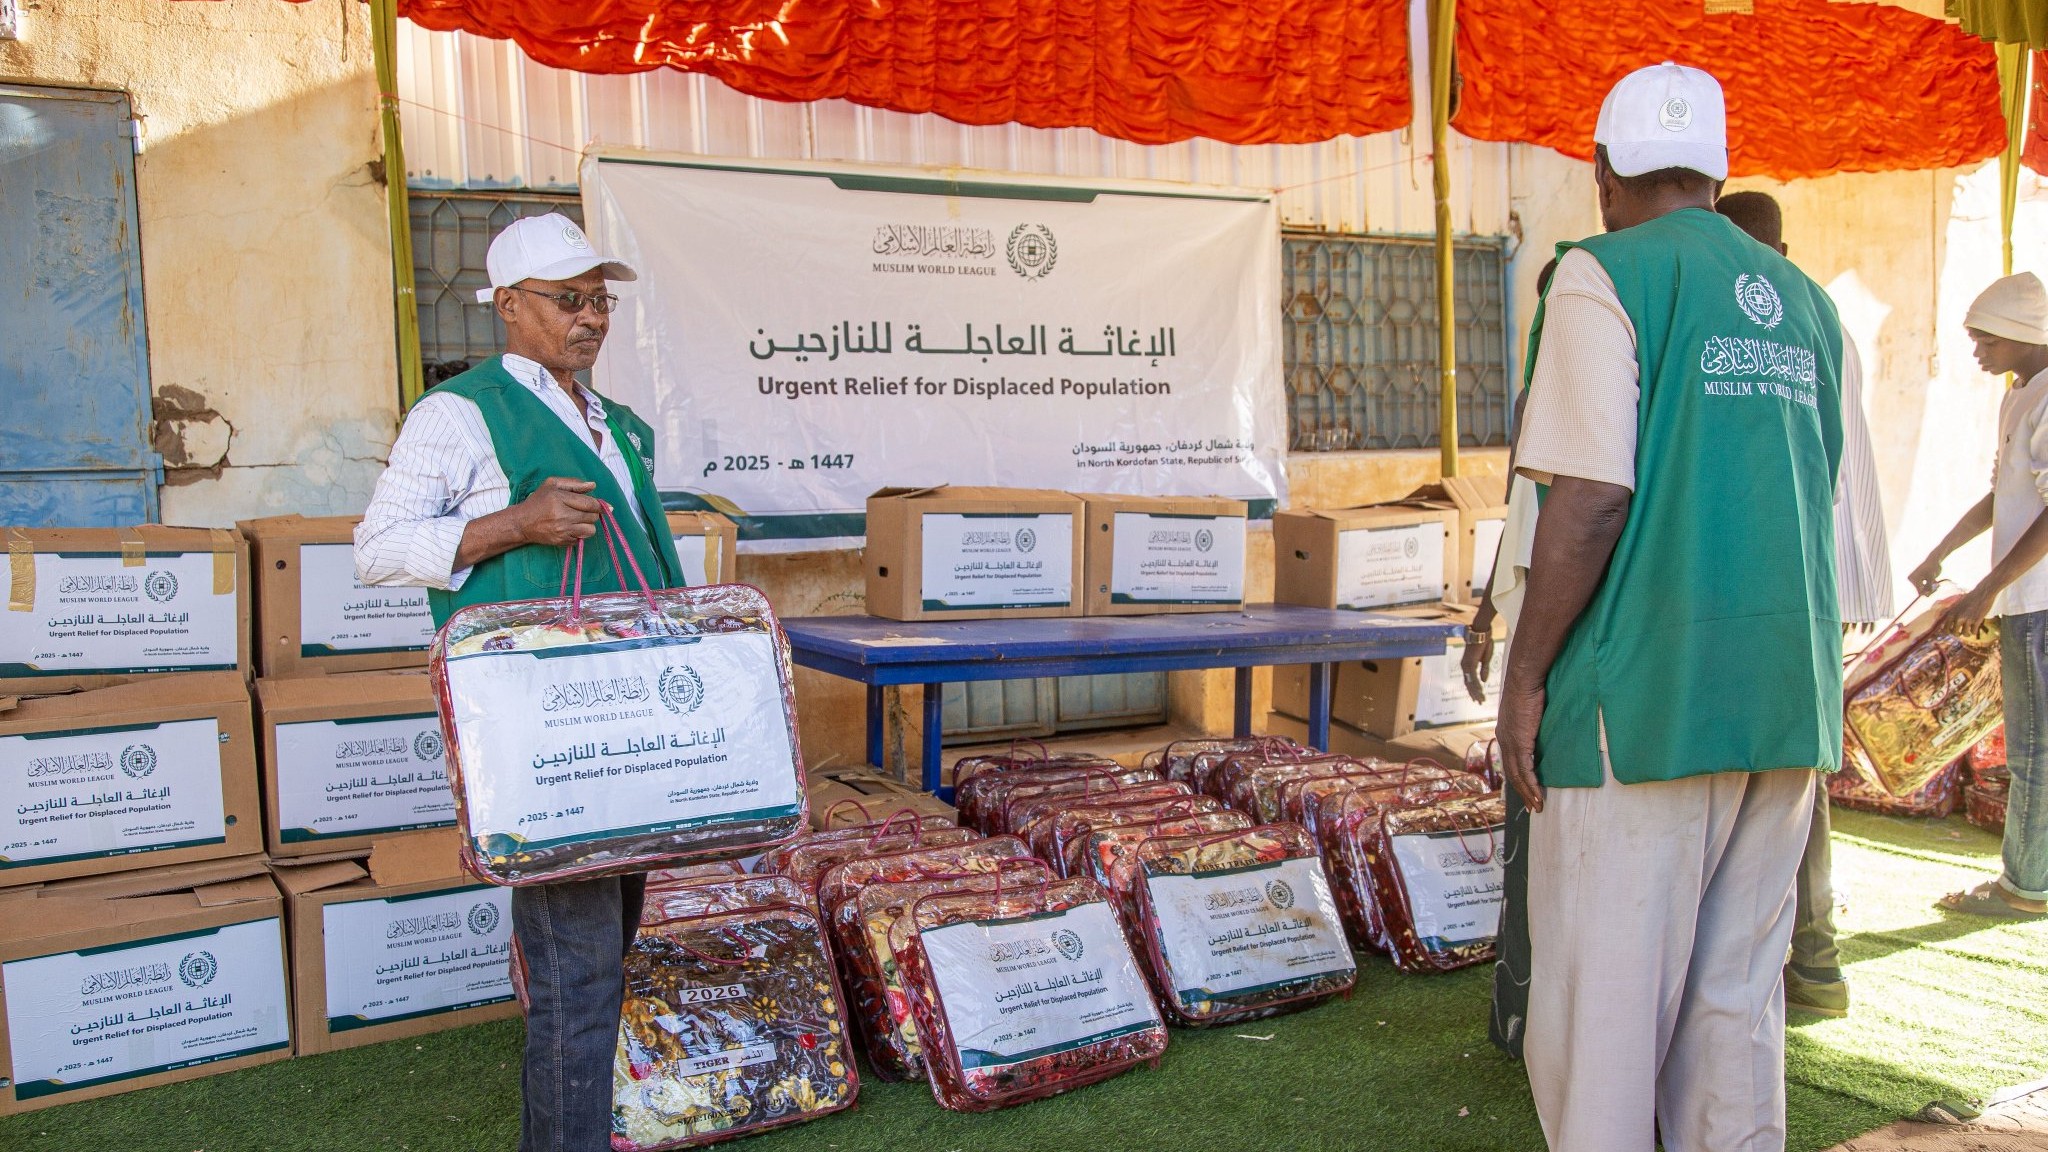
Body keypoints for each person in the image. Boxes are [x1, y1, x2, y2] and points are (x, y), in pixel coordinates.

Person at [1497, 62, 1844, 1152]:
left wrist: (1522, 676)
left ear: (1602, 174)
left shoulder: (1601, 275)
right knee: (1734, 1012)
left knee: (1602, 1023)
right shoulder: (1804, 302)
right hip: (1782, 702)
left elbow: (1591, 494)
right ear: (1715, 169)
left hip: (1639, 702)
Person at [355, 213, 684, 1151]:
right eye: (568, 299)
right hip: (547, 736)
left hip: (628, 721)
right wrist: (512, 525)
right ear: (508, 307)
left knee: (607, 945)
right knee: (577, 971)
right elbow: (376, 550)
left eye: (601, 300)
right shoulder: (460, 414)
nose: (592, 319)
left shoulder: (612, 421)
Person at [1716, 190, 1896, 1017]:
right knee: (1796, 770)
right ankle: (1808, 960)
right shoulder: (1816, 314)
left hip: (1798, 575)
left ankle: (1808, 959)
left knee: (1791, 780)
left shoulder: (1774, 318)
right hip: (1825, 573)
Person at [1909, 271, 2048, 921]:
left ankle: (2026, 886)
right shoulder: (2020, 394)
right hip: (2022, 599)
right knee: (2032, 743)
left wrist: (1988, 590)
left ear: (2023, 335)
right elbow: (2004, 498)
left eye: (1984, 339)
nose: (1976, 353)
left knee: (2034, 749)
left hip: (2037, 601)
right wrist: (1941, 552)